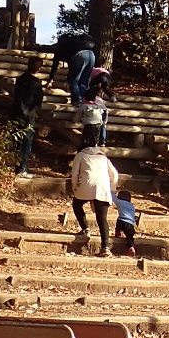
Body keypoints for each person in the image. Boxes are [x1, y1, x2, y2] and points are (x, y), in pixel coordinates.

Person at [69, 123, 119, 256]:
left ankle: (85, 228)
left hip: (86, 186)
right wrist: (112, 189)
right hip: (103, 188)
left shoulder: (81, 155)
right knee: (102, 219)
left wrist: (75, 188)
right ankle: (106, 247)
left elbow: (74, 175)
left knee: (77, 204)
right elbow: (114, 174)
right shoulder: (103, 156)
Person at [11, 57, 44, 178]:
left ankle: (16, 166)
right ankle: (22, 168)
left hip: (16, 112)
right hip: (28, 114)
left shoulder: (20, 80)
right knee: (26, 141)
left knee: (17, 140)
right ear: (39, 69)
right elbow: (39, 100)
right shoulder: (35, 83)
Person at [113, 185, 140, 258]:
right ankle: (131, 246)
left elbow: (113, 198)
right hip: (130, 223)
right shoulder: (132, 206)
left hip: (122, 220)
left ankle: (117, 231)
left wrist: (112, 191)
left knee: (118, 221)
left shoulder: (119, 202)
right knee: (129, 235)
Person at [67, 37, 96, 104]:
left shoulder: (70, 46)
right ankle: (84, 99)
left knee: (74, 80)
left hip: (81, 54)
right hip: (91, 55)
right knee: (84, 80)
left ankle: (77, 99)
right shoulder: (90, 44)